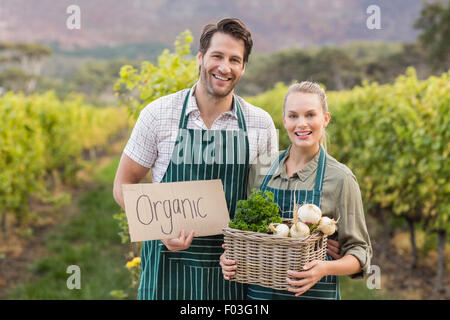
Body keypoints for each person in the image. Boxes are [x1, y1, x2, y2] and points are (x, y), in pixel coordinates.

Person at [113, 18, 278, 300]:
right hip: (167, 271)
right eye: (217, 56)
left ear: (243, 67)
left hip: (232, 273)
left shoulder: (260, 124)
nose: (225, 67)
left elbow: (268, 198)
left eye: (235, 60)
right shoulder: (158, 114)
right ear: (200, 58)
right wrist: (160, 229)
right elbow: (123, 184)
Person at [220, 81, 372, 300]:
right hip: (260, 296)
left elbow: (360, 252)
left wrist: (324, 268)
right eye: (293, 116)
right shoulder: (261, 168)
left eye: (310, 114)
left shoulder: (340, 178)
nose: (301, 124)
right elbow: (247, 233)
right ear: (284, 121)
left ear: (325, 119)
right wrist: (229, 257)